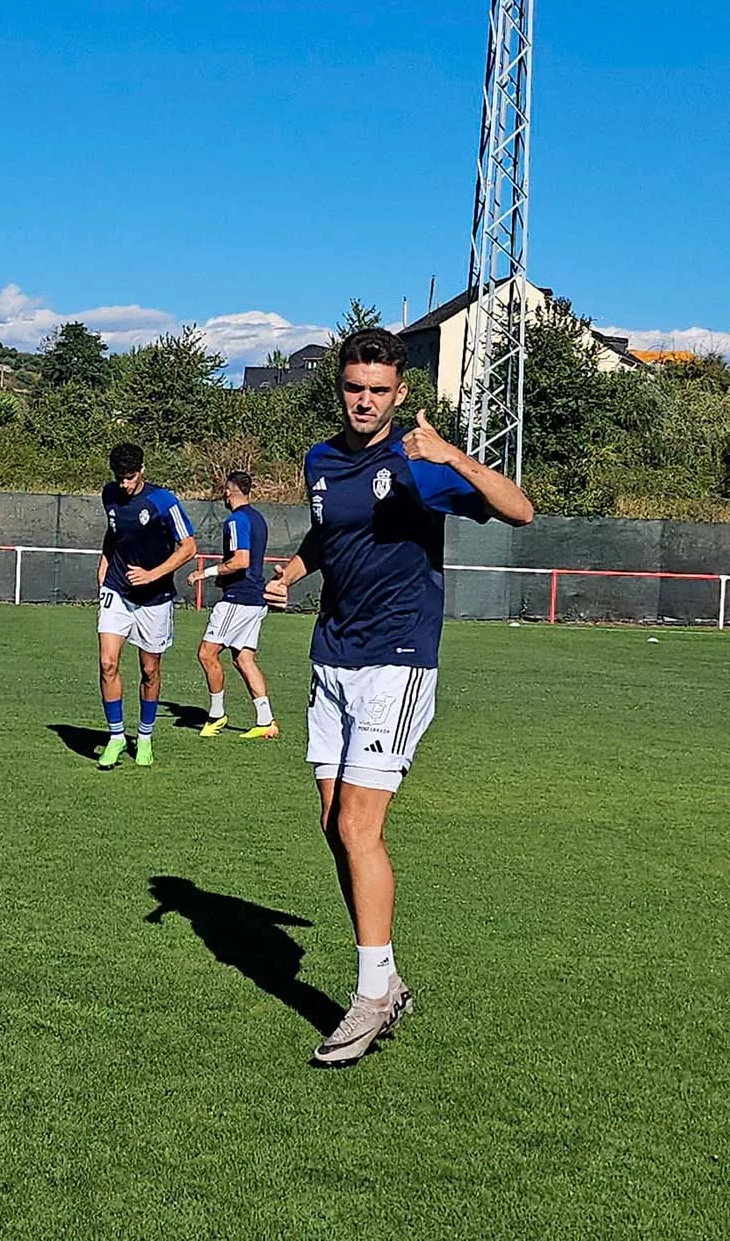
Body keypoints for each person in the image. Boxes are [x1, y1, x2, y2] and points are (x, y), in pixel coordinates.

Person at [266, 329, 533, 1067]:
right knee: (331, 822)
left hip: (398, 660)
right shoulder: (319, 460)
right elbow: (329, 534)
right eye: (355, 387)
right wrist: (292, 571)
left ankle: (371, 994)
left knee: (358, 826)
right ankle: (386, 978)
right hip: (332, 656)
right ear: (340, 387)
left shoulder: (419, 467)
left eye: (379, 390)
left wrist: (450, 455)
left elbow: (521, 510)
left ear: (400, 393)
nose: (365, 400)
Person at [96, 442, 198, 769]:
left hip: (154, 598)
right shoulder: (109, 494)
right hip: (117, 590)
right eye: (119, 478)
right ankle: (114, 737)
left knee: (149, 670)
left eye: (129, 477)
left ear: (142, 470)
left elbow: (188, 547)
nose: (124, 485)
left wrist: (152, 574)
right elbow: (115, 534)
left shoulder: (163, 501)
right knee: (107, 663)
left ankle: (144, 736)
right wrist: (104, 565)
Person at [187, 471, 277, 739]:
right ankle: (266, 721)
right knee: (243, 659)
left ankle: (216, 715)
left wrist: (205, 573)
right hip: (255, 598)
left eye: (224, 490)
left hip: (239, 599)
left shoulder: (236, 520)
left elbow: (240, 561)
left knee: (206, 653)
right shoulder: (258, 519)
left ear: (229, 491)